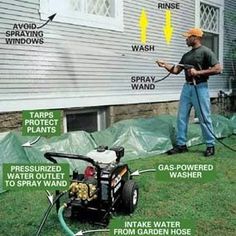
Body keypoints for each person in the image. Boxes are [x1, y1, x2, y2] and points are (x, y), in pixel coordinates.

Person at [156, 28, 222, 157]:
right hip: (187, 88)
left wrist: (198, 72)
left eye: (188, 37)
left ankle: (210, 145)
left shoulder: (206, 52)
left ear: (195, 38)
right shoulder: (186, 55)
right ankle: (181, 145)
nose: (186, 39)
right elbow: (175, 70)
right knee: (181, 117)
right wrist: (165, 65)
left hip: (200, 88)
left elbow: (218, 69)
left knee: (204, 118)